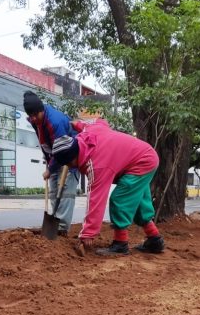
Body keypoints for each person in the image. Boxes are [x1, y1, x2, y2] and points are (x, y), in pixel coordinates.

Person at [49, 119, 165, 256]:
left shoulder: (97, 166)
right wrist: (77, 124)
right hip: (143, 154)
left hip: (142, 162)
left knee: (120, 200)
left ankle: (120, 244)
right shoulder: (86, 133)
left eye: (69, 164)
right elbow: (100, 122)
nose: (70, 167)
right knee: (139, 202)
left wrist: (88, 233)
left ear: (72, 158)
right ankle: (155, 240)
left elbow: (96, 200)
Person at [23, 91, 79, 236]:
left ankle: (61, 229)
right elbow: (46, 143)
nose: (34, 118)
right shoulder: (35, 121)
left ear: (42, 110)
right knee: (54, 192)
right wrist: (48, 162)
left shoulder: (55, 121)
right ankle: (54, 224)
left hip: (68, 158)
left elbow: (61, 150)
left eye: (36, 115)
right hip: (54, 158)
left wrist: (50, 169)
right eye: (31, 116)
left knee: (66, 193)